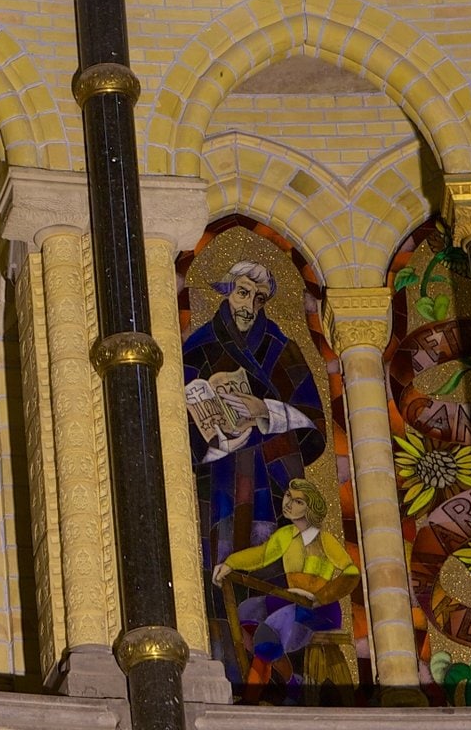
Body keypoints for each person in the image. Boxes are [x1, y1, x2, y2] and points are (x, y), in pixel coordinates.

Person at [183, 259, 329, 682]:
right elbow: (179, 436)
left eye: (258, 297)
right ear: (227, 292)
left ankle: (284, 674)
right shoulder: (196, 350)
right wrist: (216, 438)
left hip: (274, 477)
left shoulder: (282, 348)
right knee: (222, 566)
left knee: (281, 569)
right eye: (243, 293)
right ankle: (229, 671)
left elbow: (314, 421)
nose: (249, 305)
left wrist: (264, 410)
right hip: (221, 485)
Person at [213, 477, 359, 689]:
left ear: (311, 508)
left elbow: (351, 571)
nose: (289, 503)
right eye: (289, 496)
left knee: (269, 631)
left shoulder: (324, 540)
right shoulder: (285, 535)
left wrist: (321, 596)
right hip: (288, 600)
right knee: (246, 610)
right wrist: (230, 564)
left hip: (317, 609)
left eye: (298, 501)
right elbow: (261, 555)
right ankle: (282, 675)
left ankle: (260, 693)